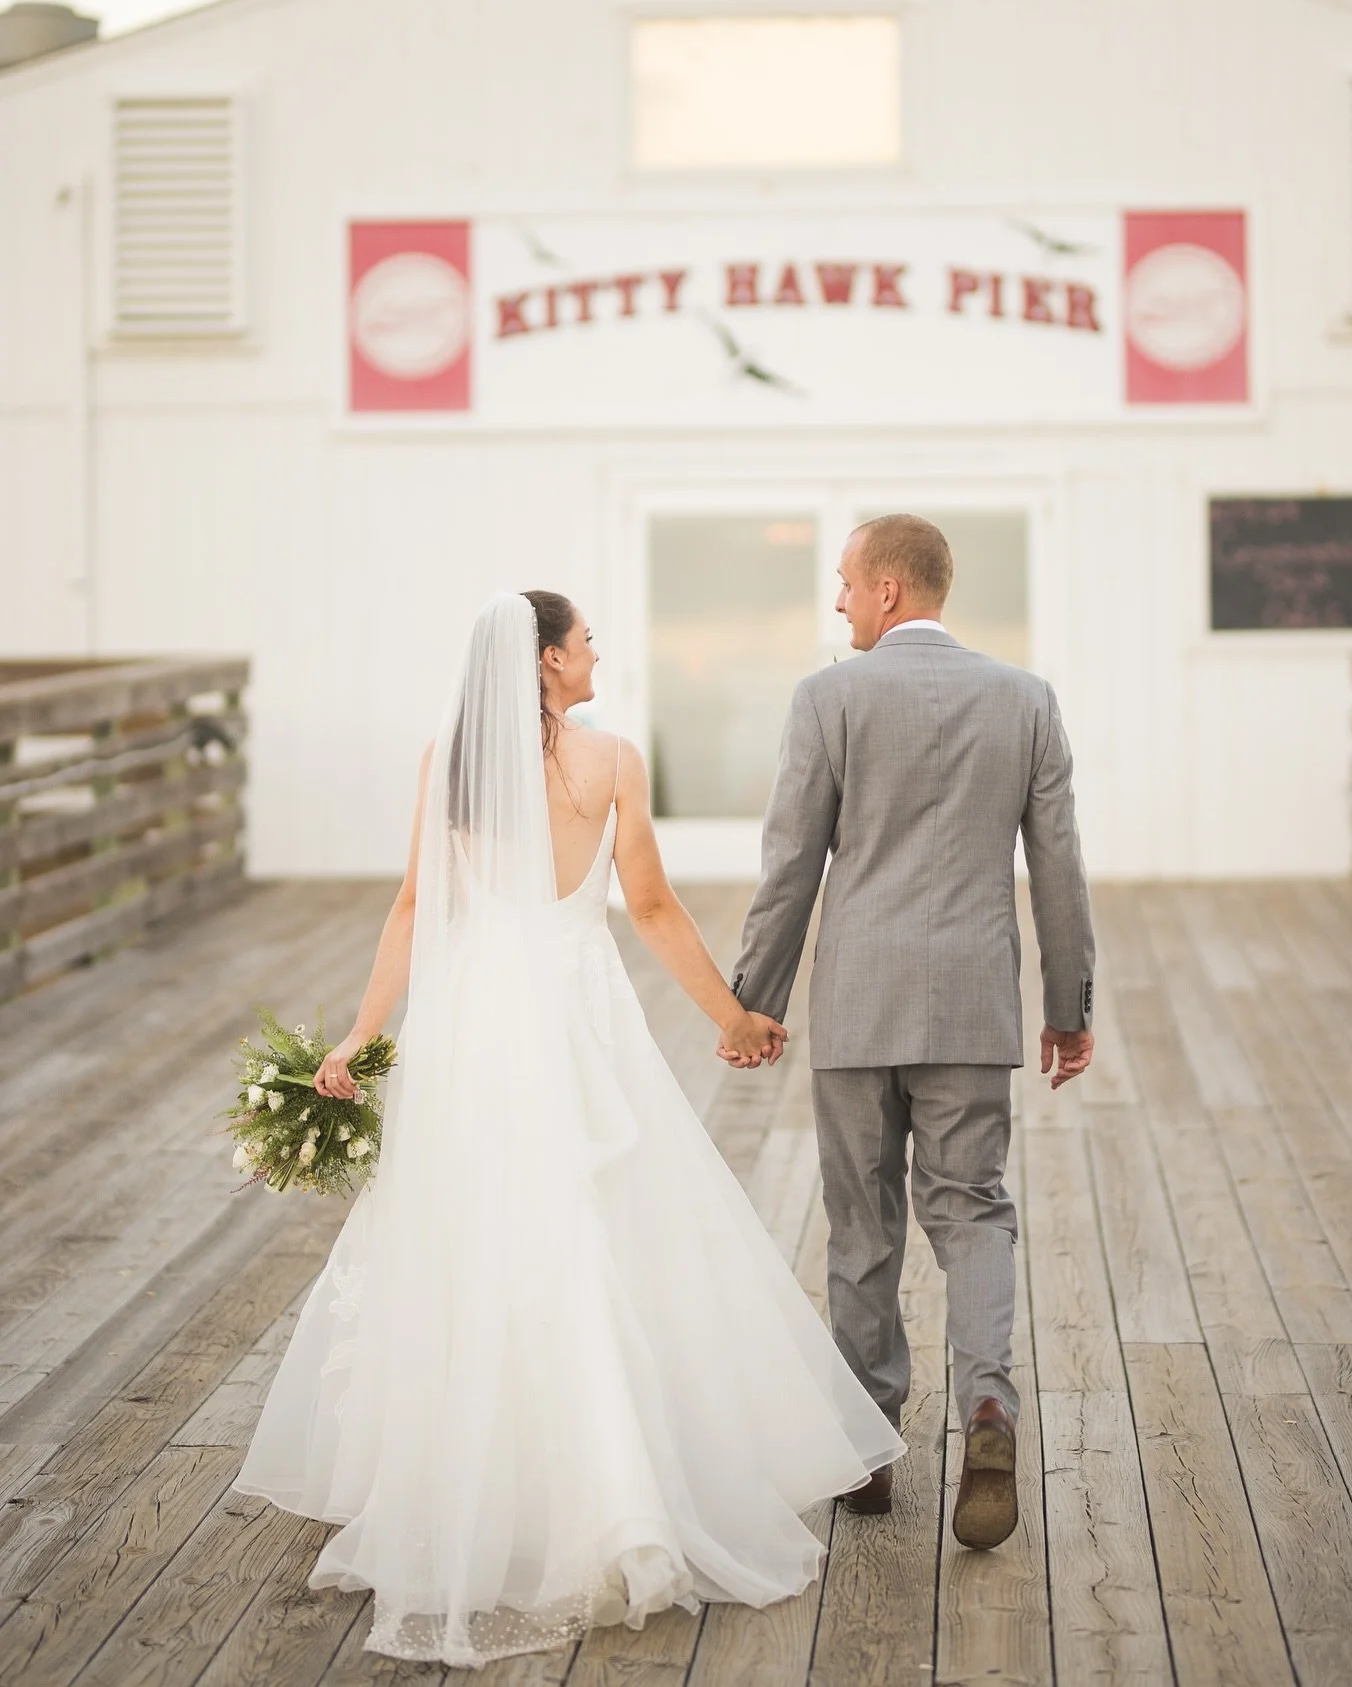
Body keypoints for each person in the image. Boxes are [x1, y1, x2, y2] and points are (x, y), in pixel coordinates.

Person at [231, 590, 903, 1668]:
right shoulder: (611, 765)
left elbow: (415, 908)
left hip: (477, 1029)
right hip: (578, 1022)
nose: (599, 653)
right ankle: (618, 1495)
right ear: (545, 661)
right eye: (585, 640)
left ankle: (490, 1496)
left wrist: (361, 1035)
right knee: (602, 1229)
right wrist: (731, 1016)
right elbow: (649, 909)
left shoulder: (447, 763)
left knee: (486, 1234)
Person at [724, 515, 1095, 1549]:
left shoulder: (828, 699)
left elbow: (791, 863)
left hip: (858, 1008)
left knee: (862, 1224)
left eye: (845, 582)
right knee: (973, 1210)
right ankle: (987, 1410)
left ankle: (870, 1444)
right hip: (972, 1005)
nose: (836, 600)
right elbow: (1058, 867)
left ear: (890, 590)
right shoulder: (1026, 700)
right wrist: (1069, 1007)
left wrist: (755, 1000)